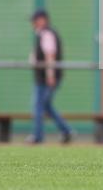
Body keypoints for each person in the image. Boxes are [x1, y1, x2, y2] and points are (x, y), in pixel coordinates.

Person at [27, 9, 73, 144]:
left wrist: (50, 75)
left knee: (39, 105)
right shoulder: (42, 34)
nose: (33, 23)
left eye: (34, 20)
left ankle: (37, 136)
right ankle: (66, 131)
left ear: (42, 20)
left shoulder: (47, 34)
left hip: (46, 78)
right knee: (45, 105)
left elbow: (50, 56)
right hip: (42, 78)